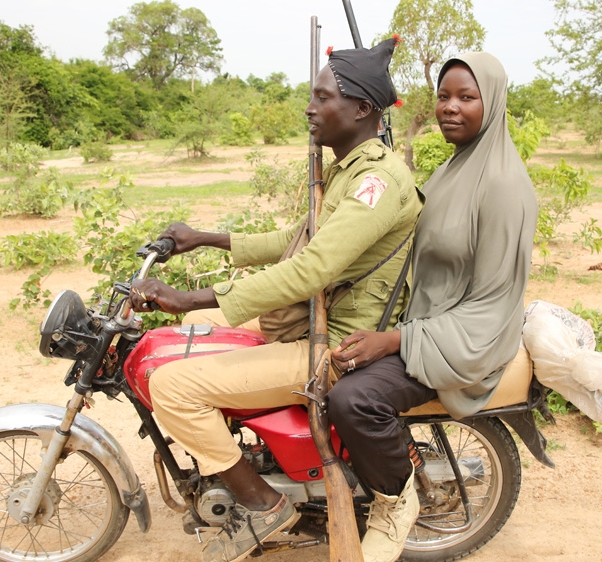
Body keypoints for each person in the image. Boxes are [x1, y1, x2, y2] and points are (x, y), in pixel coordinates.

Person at [129, 37, 423, 562]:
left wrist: (191, 298)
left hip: (335, 342)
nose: (309, 108)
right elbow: (296, 239)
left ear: (361, 109)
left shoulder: (375, 181)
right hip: (309, 322)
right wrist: (205, 238)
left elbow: (312, 269)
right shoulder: (349, 169)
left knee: (172, 386)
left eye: (322, 97)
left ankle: (263, 506)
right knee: (195, 346)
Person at [327, 52, 539, 562]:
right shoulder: (450, 170)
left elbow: (490, 303)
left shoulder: (504, 187)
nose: (450, 107)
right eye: (444, 96)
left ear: (494, 102)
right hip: (423, 324)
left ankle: (394, 504)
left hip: (466, 339)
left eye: (467, 97)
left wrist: (394, 340)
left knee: (354, 400)